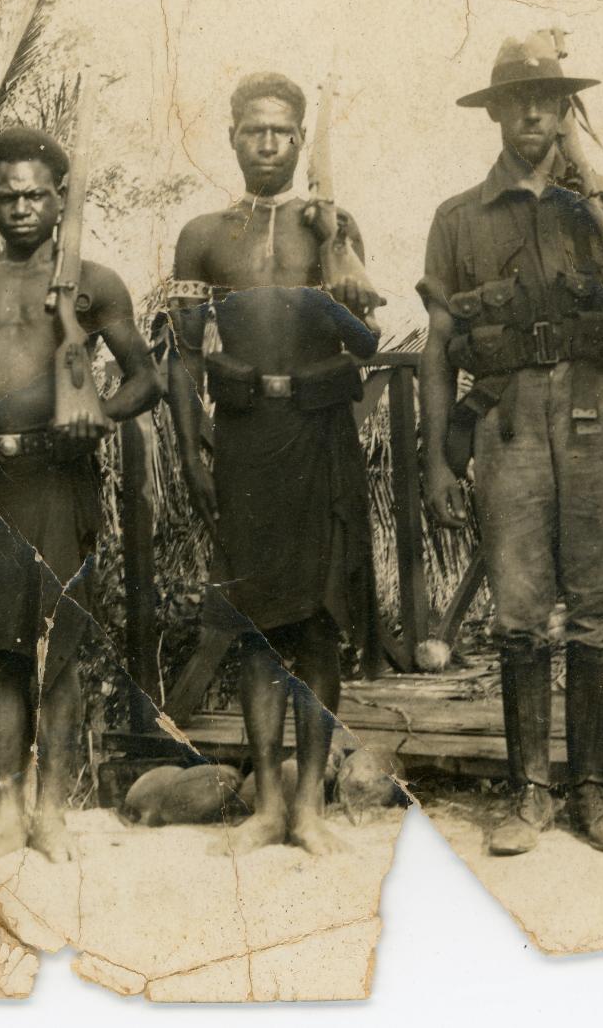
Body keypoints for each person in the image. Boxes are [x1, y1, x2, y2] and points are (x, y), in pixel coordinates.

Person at [418, 36, 603, 856]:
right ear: (494, 111)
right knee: (521, 613)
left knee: (600, 607)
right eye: (517, 97)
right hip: (507, 421)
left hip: (596, 411)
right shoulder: (457, 220)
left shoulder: (599, 207)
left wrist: (599, 203)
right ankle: (531, 791)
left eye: (549, 98)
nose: (532, 110)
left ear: (566, 112)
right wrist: (433, 460)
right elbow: (436, 346)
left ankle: (593, 792)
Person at [0, 126, 160, 865]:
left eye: (35, 195)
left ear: (60, 200)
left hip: (61, 480)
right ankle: (5, 811)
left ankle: (52, 811)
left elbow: (145, 379)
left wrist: (98, 415)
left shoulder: (95, 282)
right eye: (7, 197)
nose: (22, 208)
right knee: (2, 652)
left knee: (59, 652)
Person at [167, 73, 383, 856]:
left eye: (283, 132)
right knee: (257, 626)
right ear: (231, 136)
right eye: (254, 130)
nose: (268, 143)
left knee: (320, 624)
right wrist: (194, 446)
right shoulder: (203, 234)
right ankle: (265, 805)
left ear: (299, 141)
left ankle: (310, 809)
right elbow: (183, 355)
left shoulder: (333, 223)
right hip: (247, 440)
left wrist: (342, 250)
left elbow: (364, 329)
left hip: (321, 436)